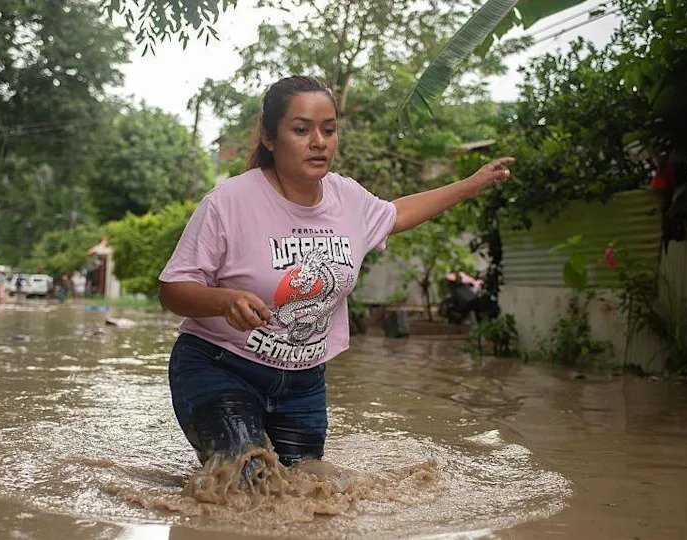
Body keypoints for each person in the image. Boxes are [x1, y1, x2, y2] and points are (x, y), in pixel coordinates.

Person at [159, 76, 512, 473]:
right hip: (221, 367)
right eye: (301, 129)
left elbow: (399, 214)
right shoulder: (229, 202)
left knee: (310, 485)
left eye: (329, 130)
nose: (319, 141)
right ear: (270, 138)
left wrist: (471, 185)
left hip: (303, 383)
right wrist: (223, 301)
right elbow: (173, 290)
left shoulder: (348, 199)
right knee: (248, 478)